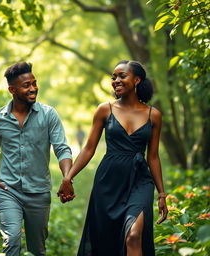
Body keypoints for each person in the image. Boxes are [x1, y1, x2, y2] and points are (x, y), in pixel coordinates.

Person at [58, 60, 168, 256]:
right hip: (108, 181)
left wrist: (161, 194)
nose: (116, 80)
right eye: (113, 77)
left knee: (134, 235)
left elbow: (153, 157)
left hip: (140, 180)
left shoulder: (154, 115)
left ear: (136, 80)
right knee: (106, 240)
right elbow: (89, 148)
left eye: (121, 76)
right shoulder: (104, 110)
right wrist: (68, 177)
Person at [0, 62, 74, 256]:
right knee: (12, 241)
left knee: (37, 250)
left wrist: (67, 177)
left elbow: (62, 149)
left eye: (34, 83)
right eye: (26, 85)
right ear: (12, 89)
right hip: (7, 190)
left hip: (39, 192)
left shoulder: (49, 115)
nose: (33, 88)